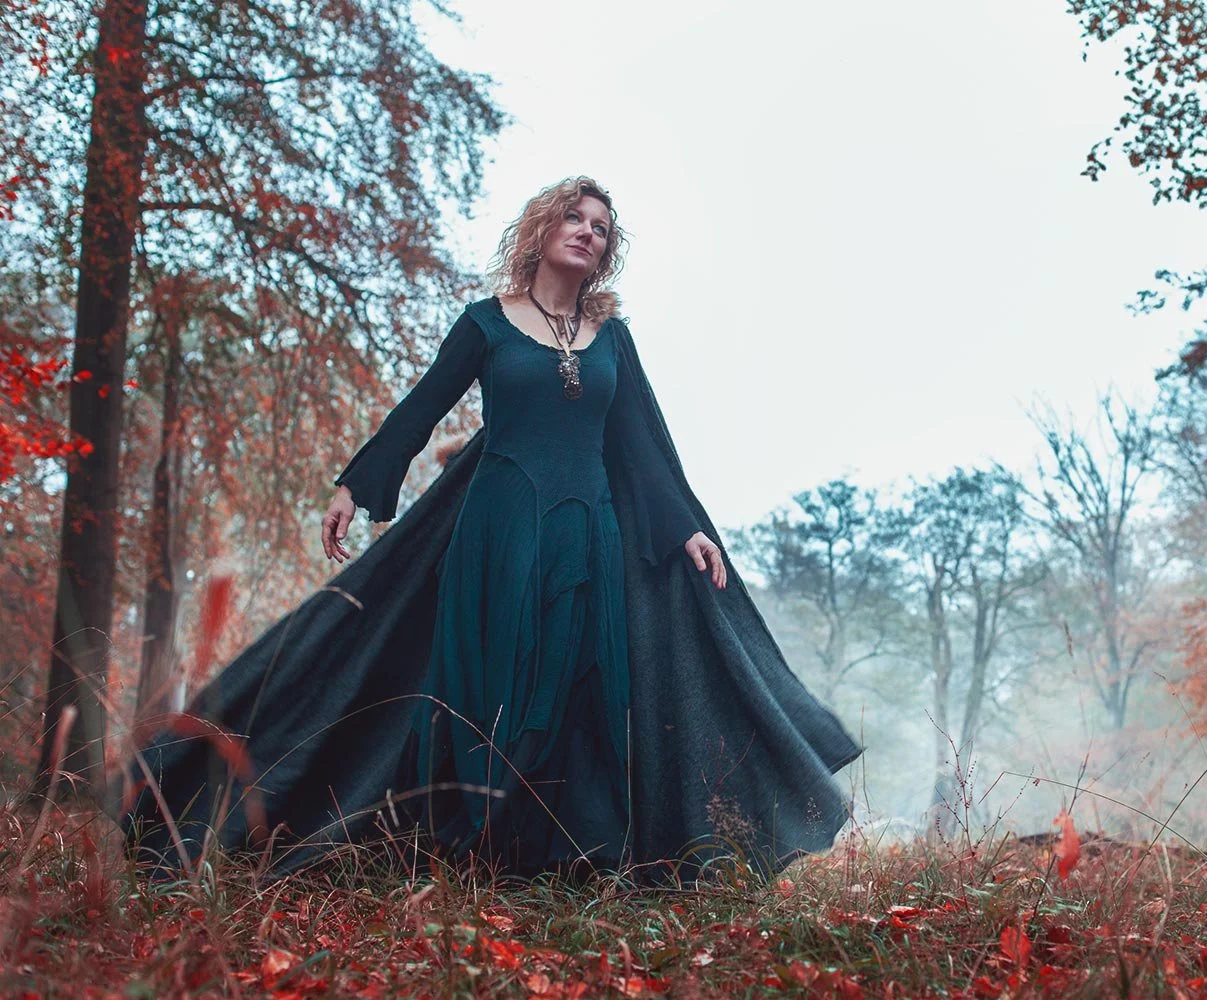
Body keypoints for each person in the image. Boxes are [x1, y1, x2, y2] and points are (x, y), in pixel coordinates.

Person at [121, 177, 864, 887]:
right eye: (575, 218)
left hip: (589, 530)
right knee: (492, 678)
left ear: (608, 252)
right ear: (543, 230)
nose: (588, 233)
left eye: (601, 228)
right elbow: (422, 408)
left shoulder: (612, 338)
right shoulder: (487, 323)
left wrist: (686, 531)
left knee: (579, 679)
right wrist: (358, 483)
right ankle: (472, 839)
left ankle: (572, 850)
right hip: (499, 529)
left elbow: (640, 443)